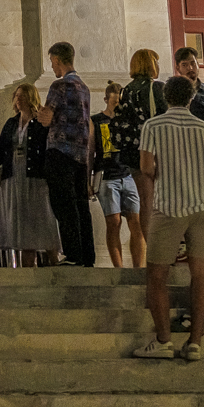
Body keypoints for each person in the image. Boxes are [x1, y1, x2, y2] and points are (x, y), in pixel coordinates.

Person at [132, 75, 204, 362]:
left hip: (168, 206)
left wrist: (166, 173)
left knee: (157, 276)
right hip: (201, 207)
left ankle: (163, 340)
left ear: (165, 98)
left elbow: (146, 167)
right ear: (192, 98)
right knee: (201, 275)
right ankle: (195, 343)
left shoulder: (153, 125)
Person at [112, 51, 174, 267]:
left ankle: (153, 249)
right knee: (163, 200)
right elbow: (167, 117)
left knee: (146, 202)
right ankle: (166, 249)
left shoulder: (126, 90)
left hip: (133, 152)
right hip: (157, 150)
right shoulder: (157, 88)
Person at [35, 42, 94, 267]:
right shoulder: (84, 88)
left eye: (52, 62)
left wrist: (40, 114)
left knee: (63, 205)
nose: (52, 66)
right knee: (81, 206)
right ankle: (87, 256)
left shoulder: (59, 86)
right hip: (81, 154)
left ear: (58, 60)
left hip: (60, 151)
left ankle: (73, 254)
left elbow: (46, 119)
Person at [0, 83, 59, 268]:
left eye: (22, 96)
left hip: (36, 177)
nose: (18, 99)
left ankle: (54, 262)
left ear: (30, 98)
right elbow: (1, 149)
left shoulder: (40, 123)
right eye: (16, 96)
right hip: (15, 176)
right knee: (22, 225)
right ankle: (28, 268)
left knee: (42, 219)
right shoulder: (11, 123)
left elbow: (49, 147)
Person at [93, 81, 142, 268]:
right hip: (107, 175)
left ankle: (138, 266)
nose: (116, 106)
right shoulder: (97, 121)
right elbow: (91, 150)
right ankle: (118, 267)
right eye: (113, 103)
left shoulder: (128, 120)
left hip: (128, 174)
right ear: (106, 100)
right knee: (113, 222)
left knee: (136, 221)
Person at [173, 47, 204, 121]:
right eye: (184, 65)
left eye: (193, 63)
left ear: (198, 64)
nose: (190, 68)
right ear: (178, 68)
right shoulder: (172, 92)